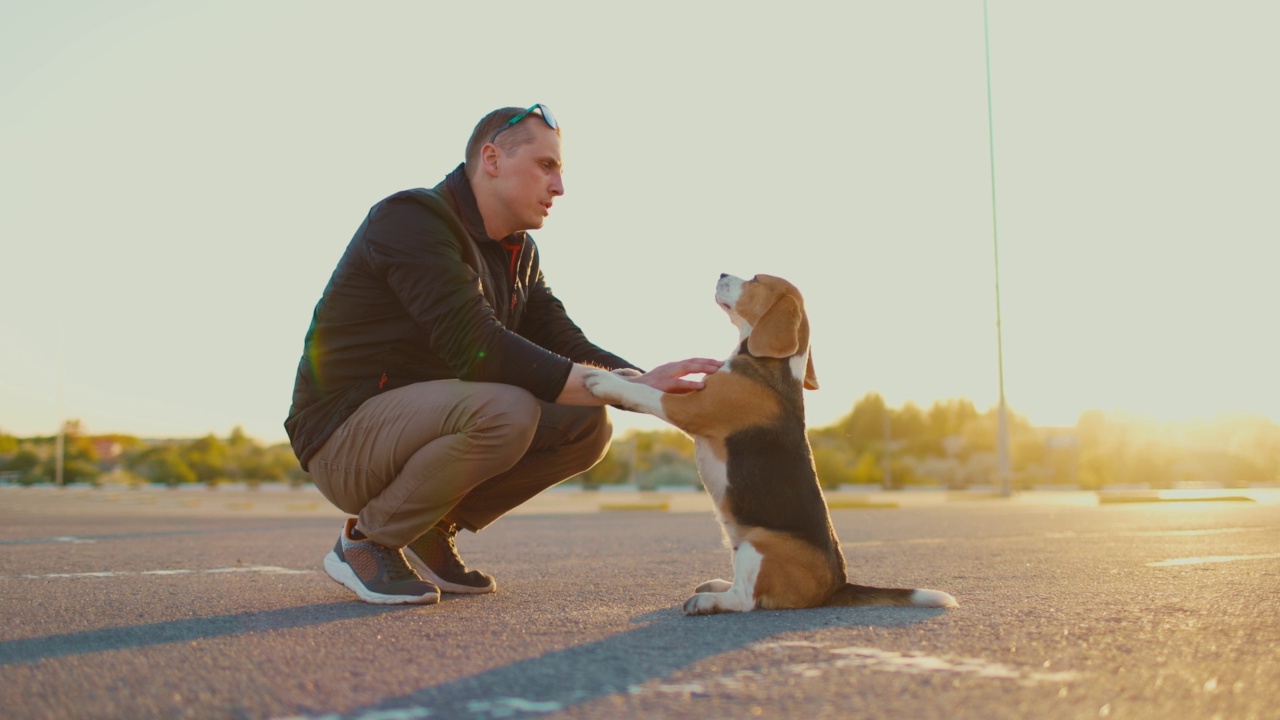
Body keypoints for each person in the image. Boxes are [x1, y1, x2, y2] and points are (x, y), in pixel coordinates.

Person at [285, 104, 721, 605]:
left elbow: (566, 343)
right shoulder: (410, 220)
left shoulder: (518, 253)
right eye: (546, 165)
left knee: (587, 423)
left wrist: (642, 383)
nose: (559, 187)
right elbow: (479, 350)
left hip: (423, 431)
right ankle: (366, 542)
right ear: (491, 159)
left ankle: (429, 524)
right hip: (344, 437)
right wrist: (625, 389)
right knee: (508, 408)